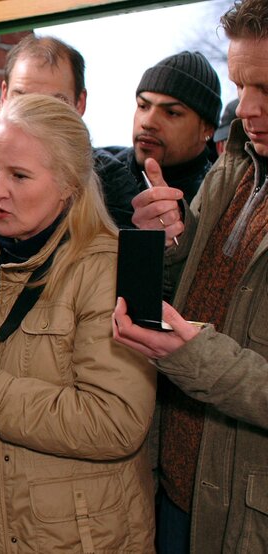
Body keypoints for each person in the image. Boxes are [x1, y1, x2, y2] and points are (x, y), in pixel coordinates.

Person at [0, 94, 156, 553]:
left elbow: (117, 421)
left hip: (68, 539)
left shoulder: (108, 270)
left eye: (19, 176)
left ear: (68, 184)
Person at [112, 1, 268, 552]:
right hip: (178, 485)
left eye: (266, 89)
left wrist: (194, 357)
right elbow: (203, 281)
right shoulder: (236, 164)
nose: (245, 108)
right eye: (240, 85)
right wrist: (169, 238)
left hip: (246, 520)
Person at [0, 35, 140, 245]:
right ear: (4, 95)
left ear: (80, 103)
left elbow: (117, 265)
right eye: (22, 98)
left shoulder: (108, 178)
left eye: (52, 104)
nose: (32, 114)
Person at [106, 50, 222, 205]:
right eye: (143, 106)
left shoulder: (222, 201)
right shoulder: (97, 174)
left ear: (206, 129)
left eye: (171, 112)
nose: (148, 123)